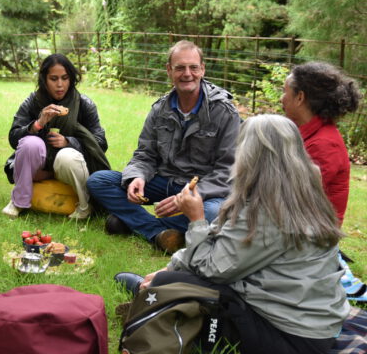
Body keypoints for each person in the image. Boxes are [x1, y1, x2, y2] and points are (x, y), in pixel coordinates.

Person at [115, 115, 349, 354]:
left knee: (175, 283)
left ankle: (156, 297)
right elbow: (224, 242)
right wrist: (172, 267)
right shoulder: (300, 193)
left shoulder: (269, 210)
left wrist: (196, 219)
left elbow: (212, 269)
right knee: (172, 277)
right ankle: (156, 291)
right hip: (317, 323)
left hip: (290, 336)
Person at [87, 40, 240, 253]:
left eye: (193, 67)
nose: (187, 74)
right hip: (163, 181)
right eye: (180, 68)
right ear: (169, 70)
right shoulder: (160, 109)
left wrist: (186, 196)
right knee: (99, 181)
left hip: (201, 190)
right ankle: (158, 232)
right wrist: (136, 177)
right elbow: (145, 153)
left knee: (215, 213)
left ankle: (134, 223)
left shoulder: (224, 112)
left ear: (202, 69)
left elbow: (227, 171)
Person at [2, 53, 110, 219]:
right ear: (44, 79)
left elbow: (101, 143)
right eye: (54, 79)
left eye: (65, 78)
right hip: (40, 163)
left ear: (71, 79)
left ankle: (84, 206)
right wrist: (38, 123)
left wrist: (70, 142)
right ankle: (19, 202)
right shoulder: (33, 102)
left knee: (67, 155)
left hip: (68, 167)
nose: (60, 85)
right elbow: (14, 138)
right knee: (30, 143)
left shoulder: (83, 104)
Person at [281, 61, 361, 225]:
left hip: (313, 237)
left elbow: (292, 197)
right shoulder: (303, 132)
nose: (281, 99)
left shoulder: (323, 144)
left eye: (284, 92)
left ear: (300, 97)